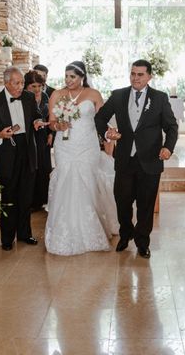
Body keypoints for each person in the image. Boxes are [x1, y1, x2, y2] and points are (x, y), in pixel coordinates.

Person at [95, 59, 178, 259]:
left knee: (146, 204)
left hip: (150, 160)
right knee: (122, 201)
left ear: (149, 76)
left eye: (140, 74)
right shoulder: (118, 95)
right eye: (133, 73)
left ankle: (142, 242)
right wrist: (108, 133)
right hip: (125, 159)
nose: (135, 78)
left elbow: (171, 126)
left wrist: (167, 147)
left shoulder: (159, 98)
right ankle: (126, 234)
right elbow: (99, 118)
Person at [44, 61, 119, 255]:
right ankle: (64, 230)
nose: (68, 80)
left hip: (87, 146)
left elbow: (102, 121)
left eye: (73, 77)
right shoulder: (56, 95)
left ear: (82, 77)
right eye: (66, 76)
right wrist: (57, 126)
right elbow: (51, 122)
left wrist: (109, 141)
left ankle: (92, 229)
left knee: (87, 181)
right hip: (64, 145)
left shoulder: (93, 95)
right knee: (65, 180)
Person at [0, 67, 46, 251]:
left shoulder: (28, 97)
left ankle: (25, 234)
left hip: (27, 150)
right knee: (9, 196)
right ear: (6, 82)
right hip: (7, 152)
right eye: (16, 83)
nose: (21, 87)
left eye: (22, 83)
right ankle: (8, 238)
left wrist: (36, 122)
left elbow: (36, 116)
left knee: (26, 195)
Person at [24, 69, 52, 211]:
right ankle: (32, 202)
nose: (37, 89)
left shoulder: (46, 97)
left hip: (43, 136)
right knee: (32, 168)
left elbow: (50, 117)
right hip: (30, 136)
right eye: (33, 86)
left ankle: (43, 199)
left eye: (39, 86)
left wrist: (50, 133)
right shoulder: (23, 98)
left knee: (44, 167)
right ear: (26, 86)